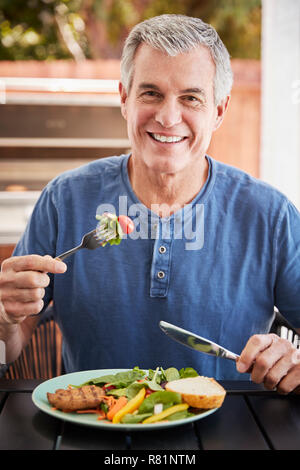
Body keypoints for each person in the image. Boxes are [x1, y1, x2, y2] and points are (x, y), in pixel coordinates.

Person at [1, 14, 300, 393]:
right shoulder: (64, 200)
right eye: (151, 93)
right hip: (93, 430)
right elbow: (7, 350)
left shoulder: (270, 216)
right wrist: (4, 321)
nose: (167, 116)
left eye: (190, 97)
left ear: (219, 111)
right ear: (125, 98)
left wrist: (293, 360)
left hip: (231, 430)